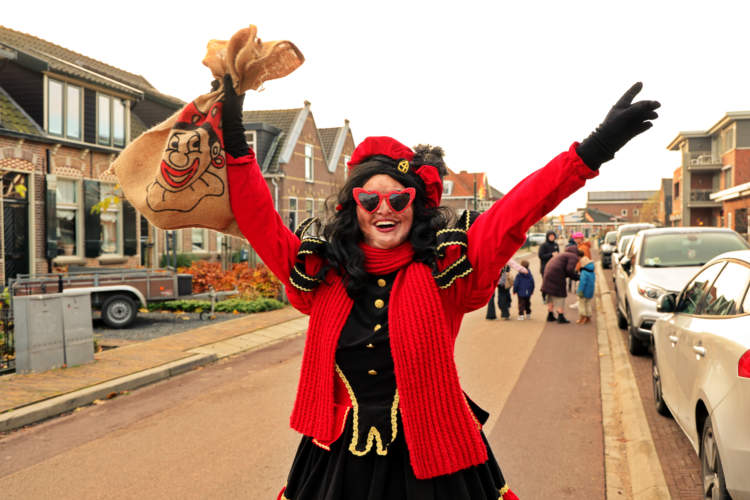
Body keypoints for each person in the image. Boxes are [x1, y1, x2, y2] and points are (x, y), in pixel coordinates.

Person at [222, 74, 659, 500]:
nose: (384, 209)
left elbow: (517, 209)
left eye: (398, 199)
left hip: (433, 458)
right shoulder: (324, 273)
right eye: (370, 200)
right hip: (336, 461)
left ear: (417, 205)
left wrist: (596, 147)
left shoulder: (445, 271)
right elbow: (259, 219)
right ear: (352, 208)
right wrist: (235, 138)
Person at [540, 245, 582, 323]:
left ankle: (550, 315)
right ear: (579, 256)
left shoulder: (564, 254)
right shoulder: (574, 257)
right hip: (556, 275)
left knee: (550, 294)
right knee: (560, 295)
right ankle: (560, 316)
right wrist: (577, 277)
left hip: (548, 273)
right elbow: (569, 270)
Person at [576, 256, 596, 324]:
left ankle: (582, 317)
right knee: (588, 304)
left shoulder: (584, 272)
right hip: (590, 291)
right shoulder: (592, 271)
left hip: (584, 291)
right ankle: (588, 317)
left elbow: (582, 283)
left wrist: (580, 291)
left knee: (582, 304)